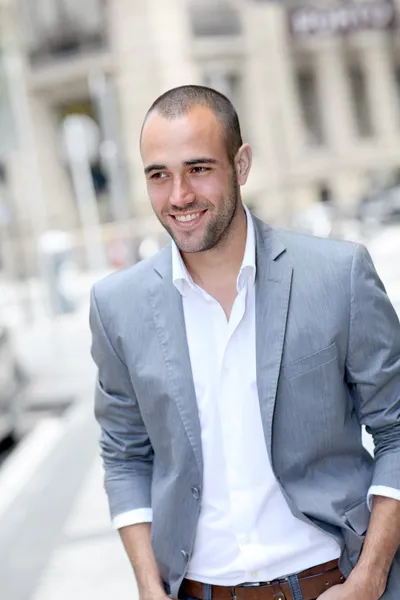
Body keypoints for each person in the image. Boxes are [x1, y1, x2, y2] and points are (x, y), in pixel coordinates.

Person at [90, 85, 400, 600]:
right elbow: (124, 455)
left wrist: (369, 579)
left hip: (334, 583)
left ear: (242, 163)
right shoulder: (115, 305)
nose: (179, 196)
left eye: (199, 168)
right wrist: (148, 585)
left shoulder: (337, 275)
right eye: (158, 175)